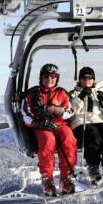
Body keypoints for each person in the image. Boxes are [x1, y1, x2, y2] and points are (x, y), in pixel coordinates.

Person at [21, 63, 77, 196]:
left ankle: (66, 177)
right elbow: (25, 114)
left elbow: (69, 111)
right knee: (48, 140)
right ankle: (47, 178)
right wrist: (38, 124)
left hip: (59, 124)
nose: (50, 79)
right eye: (46, 76)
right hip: (41, 126)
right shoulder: (33, 93)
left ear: (57, 78)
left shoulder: (61, 93)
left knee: (69, 139)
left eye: (53, 76)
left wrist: (56, 110)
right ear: (41, 78)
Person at [69, 66, 103, 185]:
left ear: (93, 80)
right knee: (92, 134)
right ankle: (93, 168)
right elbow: (70, 111)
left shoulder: (98, 93)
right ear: (80, 80)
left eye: (90, 78)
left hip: (100, 121)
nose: (87, 80)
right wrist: (80, 98)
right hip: (81, 123)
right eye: (84, 78)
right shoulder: (73, 93)